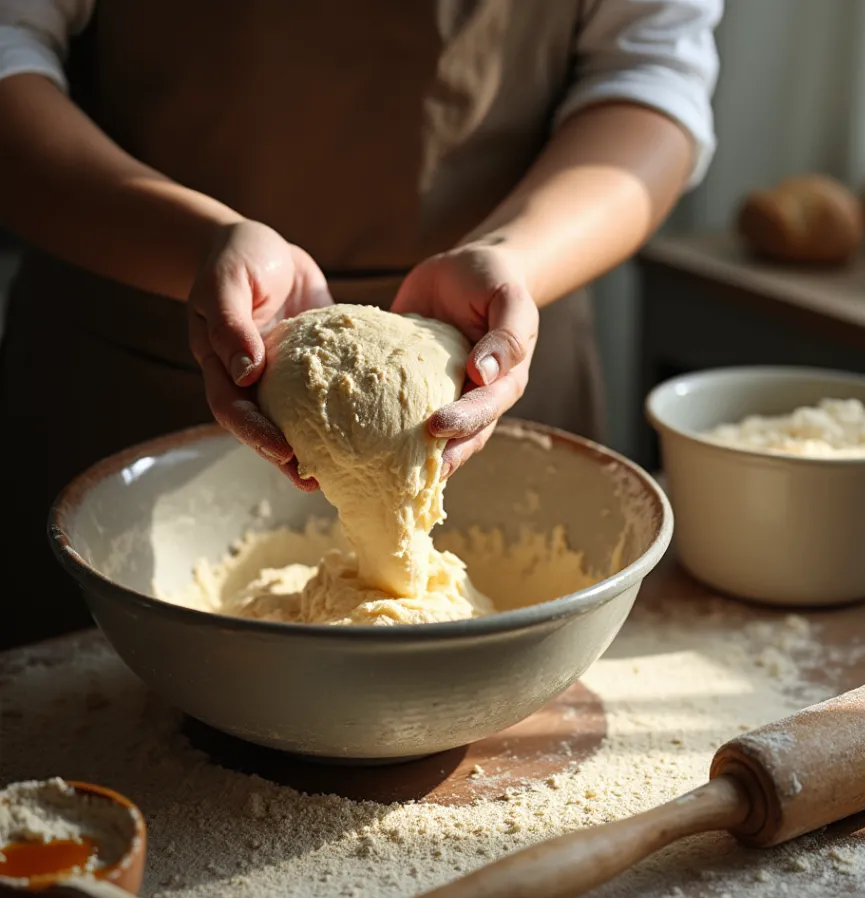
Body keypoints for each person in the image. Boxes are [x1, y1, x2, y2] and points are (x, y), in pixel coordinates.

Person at [0, 0, 721, 649]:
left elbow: (650, 73)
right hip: (132, 360)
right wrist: (198, 246)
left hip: (494, 346)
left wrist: (515, 259)